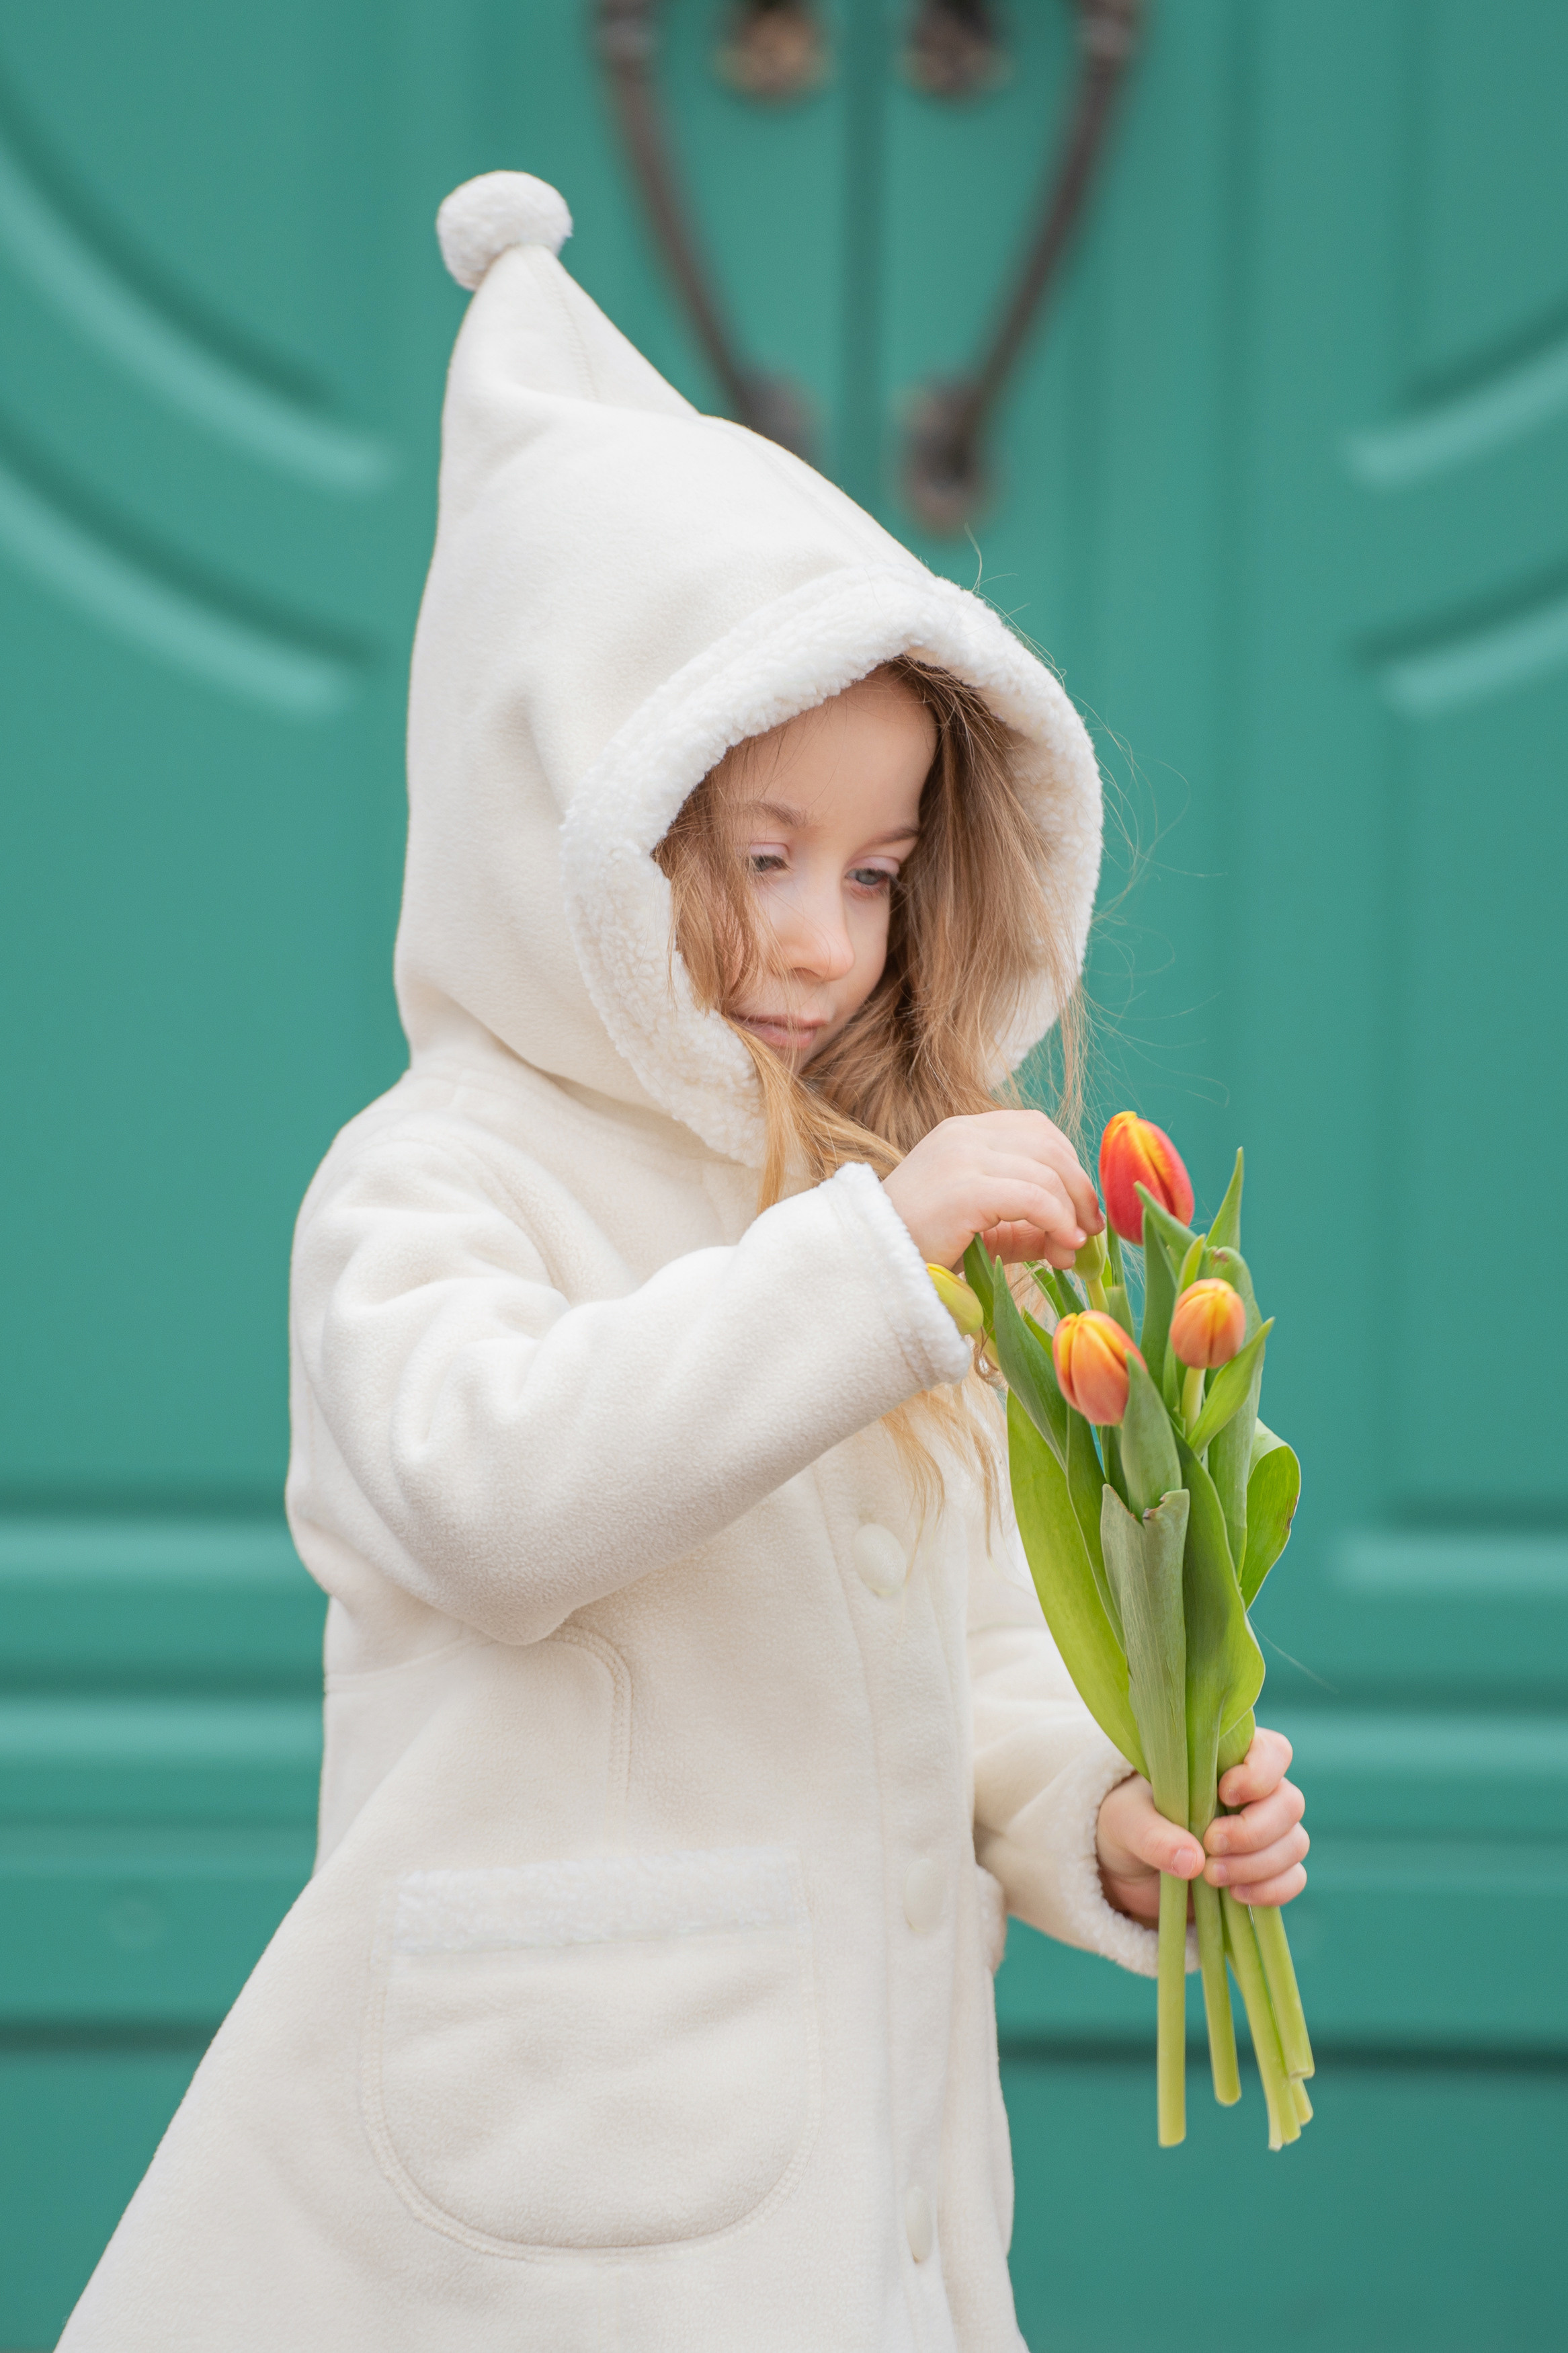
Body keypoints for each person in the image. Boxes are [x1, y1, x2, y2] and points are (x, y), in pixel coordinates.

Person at [60, 172, 1306, 2353]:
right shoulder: (435, 1177)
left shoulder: (863, 1194)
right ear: (574, 810)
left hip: (873, 2208)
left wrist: (1099, 1806)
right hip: (554, 2203)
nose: (826, 936)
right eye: (757, 854)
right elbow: (496, 1488)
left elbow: (975, 1633)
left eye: (882, 868)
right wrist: (863, 1273)